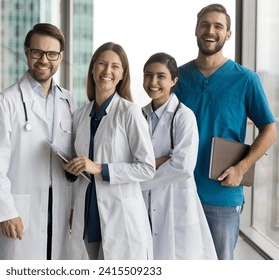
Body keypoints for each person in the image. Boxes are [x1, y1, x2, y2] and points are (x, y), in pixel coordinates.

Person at [174, 4, 276, 260]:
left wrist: (241, 168)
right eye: (205, 25)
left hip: (222, 195)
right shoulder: (178, 78)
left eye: (218, 26)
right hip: (179, 191)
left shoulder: (246, 79)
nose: (210, 31)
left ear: (228, 34)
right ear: (196, 30)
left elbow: (269, 129)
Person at [0, 23, 76, 260]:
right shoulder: (5, 102)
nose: (44, 60)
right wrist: (6, 212)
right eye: (37, 52)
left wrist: (75, 203)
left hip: (59, 207)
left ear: (60, 57)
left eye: (52, 54)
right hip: (19, 209)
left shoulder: (68, 101)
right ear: (26, 52)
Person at [64, 42, 156, 260]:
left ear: (122, 74)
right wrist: (71, 168)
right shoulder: (79, 115)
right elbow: (79, 163)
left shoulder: (130, 113)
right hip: (87, 212)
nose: (107, 71)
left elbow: (147, 168)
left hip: (121, 215)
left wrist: (100, 168)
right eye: (102, 64)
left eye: (115, 66)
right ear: (93, 69)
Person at [140, 52, 217, 260]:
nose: (153, 82)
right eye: (148, 75)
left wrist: (139, 177)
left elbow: (182, 166)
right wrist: (160, 160)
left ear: (174, 80)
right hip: (144, 206)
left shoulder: (183, 116)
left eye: (160, 76)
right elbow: (131, 160)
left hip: (176, 204)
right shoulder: (139, 115)